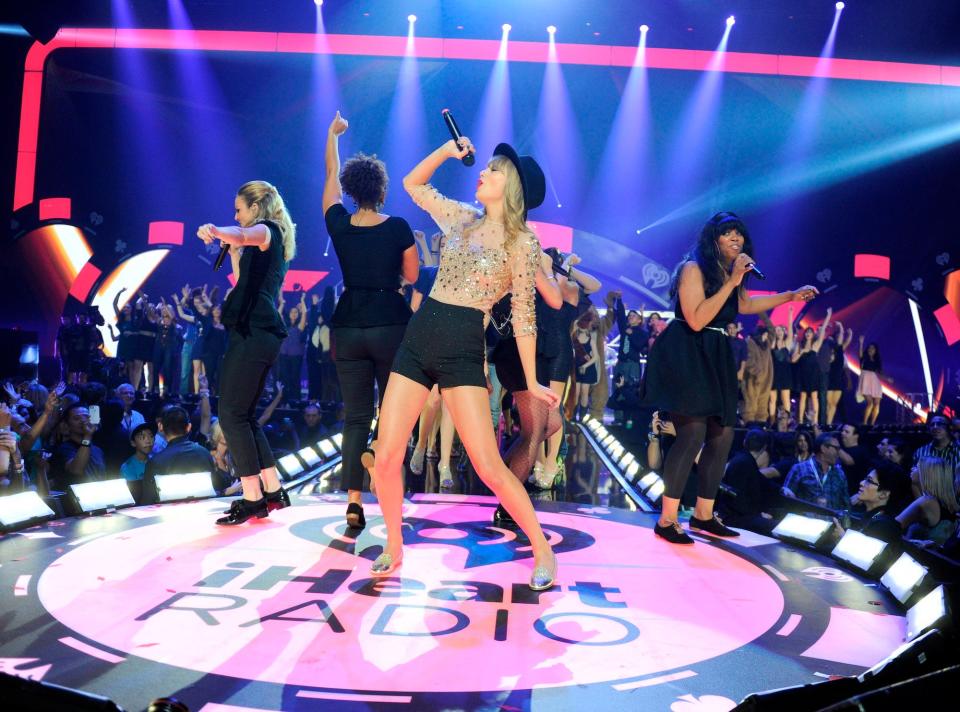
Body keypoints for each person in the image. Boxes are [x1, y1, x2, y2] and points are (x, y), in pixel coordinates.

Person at [368, 134, 560, 590]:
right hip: (419, 339)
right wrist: (443, 152)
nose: (483, 173)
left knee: (489, 466)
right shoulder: (462, 218)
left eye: (493, 170)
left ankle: (542, 548)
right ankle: (394, 544)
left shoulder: (523, 242)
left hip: (462, 348)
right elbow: (414, 185)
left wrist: (531, 380)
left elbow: (524, 315)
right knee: (386, 456)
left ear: (510, 186)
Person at [640, 211, 819, 544]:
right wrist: (733, 282)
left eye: (740, 235)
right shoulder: (693, 269)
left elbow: (746, 306)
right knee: (691, 435)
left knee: (721, 436)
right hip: (688, 353)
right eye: (728, 234)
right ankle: (667, 520)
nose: (736, 239)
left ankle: (703, 516)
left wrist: (790, 296)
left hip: (716, 352)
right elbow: (695, 319)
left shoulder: (728, 274)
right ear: (713, 240)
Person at [322, 111, 419, 529]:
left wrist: (333, 136)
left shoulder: (340, 225)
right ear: (381, 190)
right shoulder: (397, 226)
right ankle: (390, 490)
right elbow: (413, 277)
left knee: (356, 414)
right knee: (391, 413)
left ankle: (354, 501)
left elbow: (329, 175)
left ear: (349, 189)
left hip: (347, 325)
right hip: (389, 324)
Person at [196, 180, 295, 524]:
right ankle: (272, 489)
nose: (236, 215)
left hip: (255, 332)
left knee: (231, 415)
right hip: (256, 331)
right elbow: (243, 282)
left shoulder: (268, 230)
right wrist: (236, 253)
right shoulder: (264, 240)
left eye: (239, 209)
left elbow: (239, 234)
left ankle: (252, 497)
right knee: (245, 415)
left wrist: (216, 230)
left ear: (255, 209)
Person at [142, 406, 216, 504]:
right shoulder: (204, 453)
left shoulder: (155, 461)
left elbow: (148, 501)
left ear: (160, 426)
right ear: (189, 427)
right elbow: (216, 487)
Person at [720, 429, 781, 534]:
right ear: (764, 447)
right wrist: (758, 514)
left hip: (736, 513)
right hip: (735, 517)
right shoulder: (745, 463)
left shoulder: (741, 459)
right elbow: (739, 500)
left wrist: (781, 489)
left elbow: (760, 479)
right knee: (778, 526)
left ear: (744, 442)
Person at [896, 456, 959, 545]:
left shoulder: (927, 501)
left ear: (926, 474)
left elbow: (893, 525)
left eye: (917, 467)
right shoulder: (943, 504)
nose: (912, 468)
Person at [782, 432, 848, 510]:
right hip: (805, 520)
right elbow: (785, 499)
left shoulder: (839, 474)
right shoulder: (799, 469)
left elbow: (846, 506)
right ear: (823, 448)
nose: (838, 453)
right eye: (836, 448)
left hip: (832, 521)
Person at [49, 403, 106, 488]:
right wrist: (87, 436)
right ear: (67, 425)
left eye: (87, 417)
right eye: (77, 418)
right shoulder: (64, 448)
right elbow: (76, 470)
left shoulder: (97, 449)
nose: (83, 421)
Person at [792, 310, 831, 425]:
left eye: (810, 332)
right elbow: (793, 360)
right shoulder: (800, 345)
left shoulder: (816, 345)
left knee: (814, 397)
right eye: (806, 332)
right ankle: (800, 420)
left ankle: (815, 421)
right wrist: (802, 351)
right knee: (803, 396)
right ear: (804, 334)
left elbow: (823, 330)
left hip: (813, 374)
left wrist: (828, 315)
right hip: (803, 374)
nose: (808, 334)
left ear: (813, 334)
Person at [572, 311, 601, 420]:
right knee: (575, 393)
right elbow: (574, 325)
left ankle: (582, 418)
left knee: (584, 393)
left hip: (587, 368)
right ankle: (573, 416)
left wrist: (585, 365)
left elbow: (596, 357)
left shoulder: (591, 340)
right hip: (576, 367)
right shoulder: (574, 337)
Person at [742, 325, 773, 424]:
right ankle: (749, 428)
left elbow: (772, 330)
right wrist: (757, 373)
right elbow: (748, 361)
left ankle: (761, 428)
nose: (766, 337)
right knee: (751, 407)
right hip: (752, 380)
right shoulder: (751, 343)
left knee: (762, 408)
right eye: (764, 335)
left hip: (765, 381)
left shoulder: (766, 345)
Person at [769, 310, 795, 422]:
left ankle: (787, 421)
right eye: (776, 330)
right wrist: (773, 337)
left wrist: (789, 315)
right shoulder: (772, 344)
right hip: (774, 374)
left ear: (783, 332)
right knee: (772, 399)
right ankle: (772, 422)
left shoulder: (787, 343)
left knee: (786, 399)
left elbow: (790, 329)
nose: (778, 332)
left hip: (785, 375)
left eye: (780, 330)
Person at [120, 422, 155, 503]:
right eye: (142, 437)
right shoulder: (127, 467)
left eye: (151, 436)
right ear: (133, 443)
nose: (148, 441)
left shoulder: (156, 461)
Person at [838, 422, 872, 496]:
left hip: (852, 493)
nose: (842, 433)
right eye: (842, 431)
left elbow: (848, 461)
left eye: (846, 432)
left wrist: (835, 446)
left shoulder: (861, 451)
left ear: (856, 436)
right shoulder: (842, 448)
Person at [857, 337, 884, 425]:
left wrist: (887, 378)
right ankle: (864, 423)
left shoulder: (877, 361)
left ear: (875, 350)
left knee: (877, 403)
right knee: (870, 403)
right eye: (869, 348)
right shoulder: (864, 358)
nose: (870, 349)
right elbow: (860, 354)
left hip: (875, 382)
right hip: (865, 380)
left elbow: (880, 373)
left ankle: (872, 424)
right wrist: (861, 343)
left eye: (872, 348)